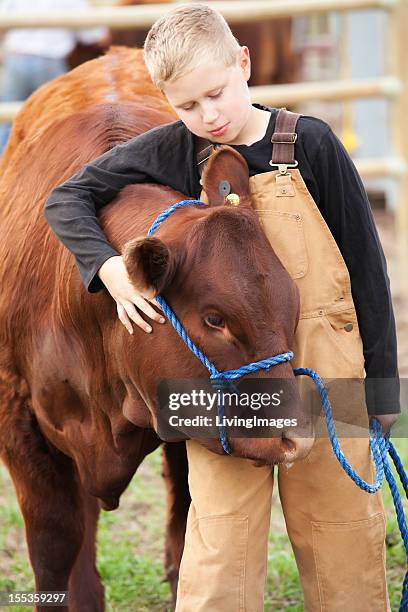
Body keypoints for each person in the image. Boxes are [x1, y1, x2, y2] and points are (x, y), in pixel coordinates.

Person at [44, 3, 400, 610]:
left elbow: (367, 270)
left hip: (324, 355)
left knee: (338, 526)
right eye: (186, 106)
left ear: (243, 64)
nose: (207, 117)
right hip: (228, 374)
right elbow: (68, 197)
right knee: (220, 533)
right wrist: (108, 268)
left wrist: (382, 391)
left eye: (216, 94)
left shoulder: (309, 143)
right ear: (167, 102)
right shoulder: (176, 151)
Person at [0, 0, 109, 153]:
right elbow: (94, 35)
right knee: (61, 118)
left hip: (16, 60)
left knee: (8, 124)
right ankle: (62, 166)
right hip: (49, 61)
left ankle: (3, 169)